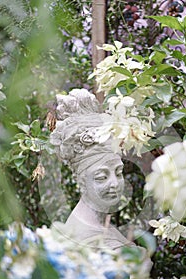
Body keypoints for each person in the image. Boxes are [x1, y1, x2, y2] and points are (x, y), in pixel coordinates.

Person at [50, 88, 136, 250]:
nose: (114, 184)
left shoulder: (102, 227)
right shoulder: (84, 239)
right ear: (81, 181)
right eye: (102, 177)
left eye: (118, 173)